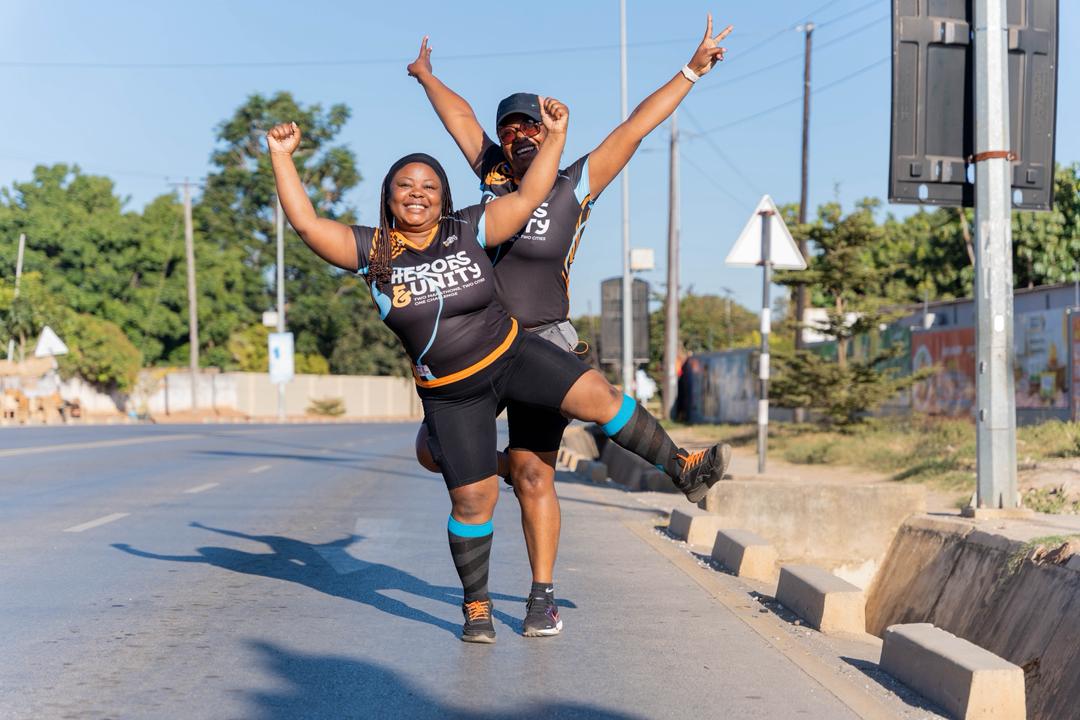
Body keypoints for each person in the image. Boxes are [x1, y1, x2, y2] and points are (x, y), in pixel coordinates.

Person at [267, 98, 727, 645]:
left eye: (428, 186)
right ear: (388, 197)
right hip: (452, 393)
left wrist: (556, 135)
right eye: (405, 186)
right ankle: (476, 604)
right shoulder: (374, 250)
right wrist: (282, 158)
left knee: (598, 394)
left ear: (444, 197)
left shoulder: (467, 228)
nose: (417, 194)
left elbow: (531, 196)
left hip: (513, 355)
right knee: (473, 498)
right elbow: (306, 223)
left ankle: (681, 466)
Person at [405, 15, 733, 637]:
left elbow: (635, 127)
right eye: (509, 129)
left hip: (543, 340)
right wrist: (426, 76)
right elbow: (460, 117)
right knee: (429, 450)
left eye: (529, 124)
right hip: (475, 343)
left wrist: (691, 71)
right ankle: (494, 466)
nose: (518, 135)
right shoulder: (491, 182)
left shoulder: (572, 185)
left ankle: (541, 597)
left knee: (536, 473)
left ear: (548, 128)